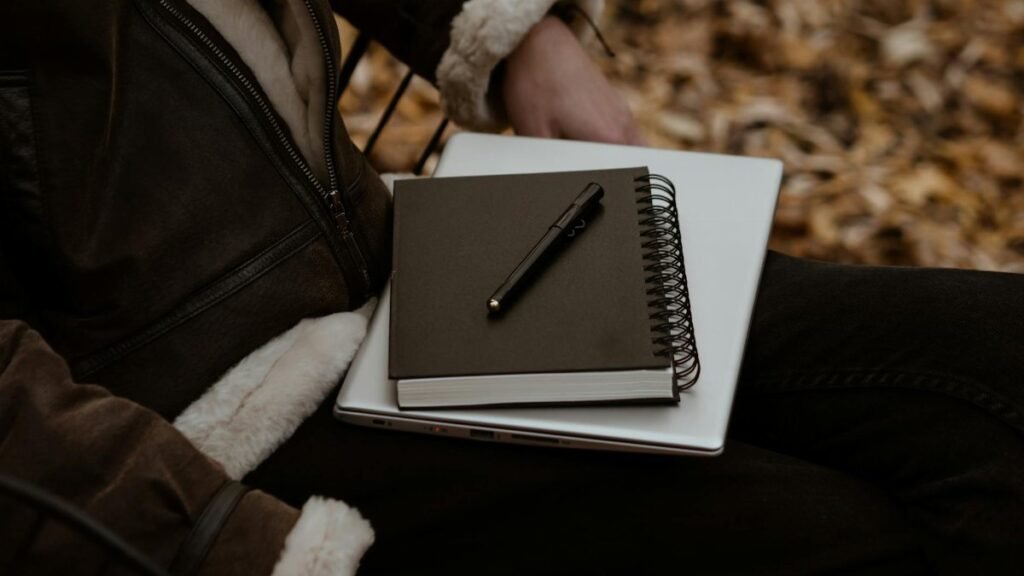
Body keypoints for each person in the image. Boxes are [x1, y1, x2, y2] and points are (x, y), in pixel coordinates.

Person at [0, 1, 1021, 575]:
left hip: (397, 260)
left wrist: (502, 25)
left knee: (993, 360)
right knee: (838, 542)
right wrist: (220, 540)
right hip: (198, 433)